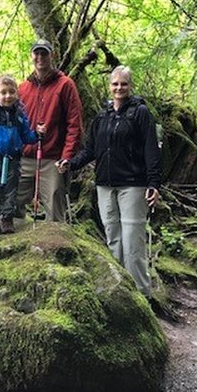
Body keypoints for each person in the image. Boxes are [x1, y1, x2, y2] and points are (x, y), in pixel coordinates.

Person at [59, 66, 160, 297]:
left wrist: (153, 183)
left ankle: (141, 295)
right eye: (115, 84)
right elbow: (91, 150)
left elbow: (151, 150)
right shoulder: (102, 116)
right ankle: (120, 291)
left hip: (133, 185)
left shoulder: (140, 113)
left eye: (123, 84)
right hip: (105, 184)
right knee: (113, 237)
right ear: (109, 86)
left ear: (130, 85)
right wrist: (71, 163)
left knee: (133, 241)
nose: (119, 88)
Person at [16, 39, 83, 222]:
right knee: (13, 204)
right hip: (25, 156)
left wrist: (67, 156)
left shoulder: (65, 85)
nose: (40, 57)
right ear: (31, 56)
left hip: (53, 158)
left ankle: (54, 247)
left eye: (44, 53)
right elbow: (14, 122)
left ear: (51, 56)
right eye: (36, 53)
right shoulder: (22, 88)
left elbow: (74, 123)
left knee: (54, 208)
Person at [0, 75, 46, 235]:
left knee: (11, 190)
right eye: (3, 92)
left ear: (17, 94)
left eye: (11, 92)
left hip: (14, 159)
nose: (8, 96)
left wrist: (38, 135)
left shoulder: (20, 115)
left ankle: (7, 218)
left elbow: (26, 136)